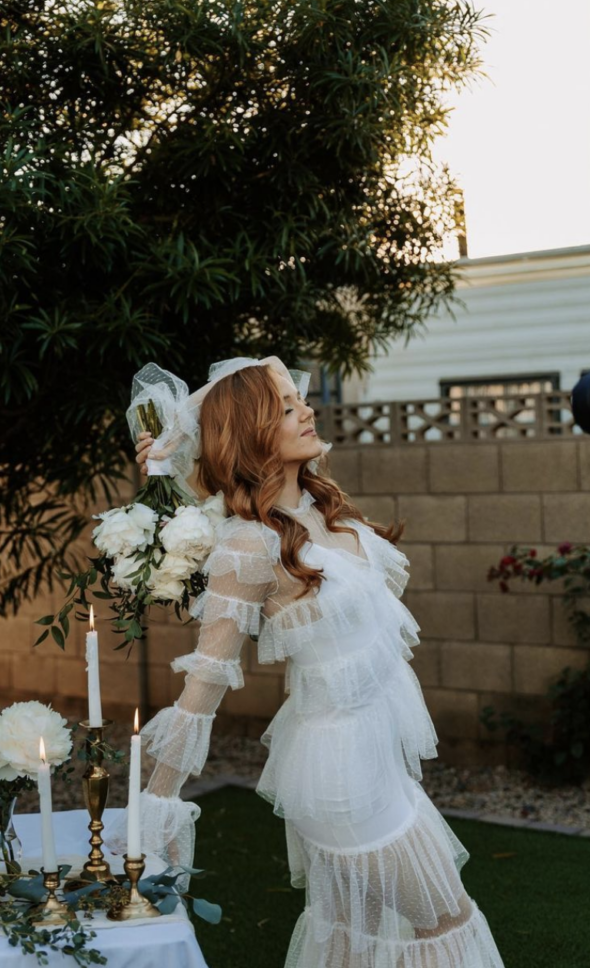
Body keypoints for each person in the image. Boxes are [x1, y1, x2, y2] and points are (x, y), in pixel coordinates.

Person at [108, 357, 505, 968]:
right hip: (343, 773)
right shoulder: (248, 541)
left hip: (376, 759)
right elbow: (206, 679)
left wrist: (175, 472)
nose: (308, 410)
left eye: (299, 400)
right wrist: (157, 808)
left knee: (354, 936)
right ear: (255, 431)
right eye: (288, 406)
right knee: (446, 921)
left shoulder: (318, 510)